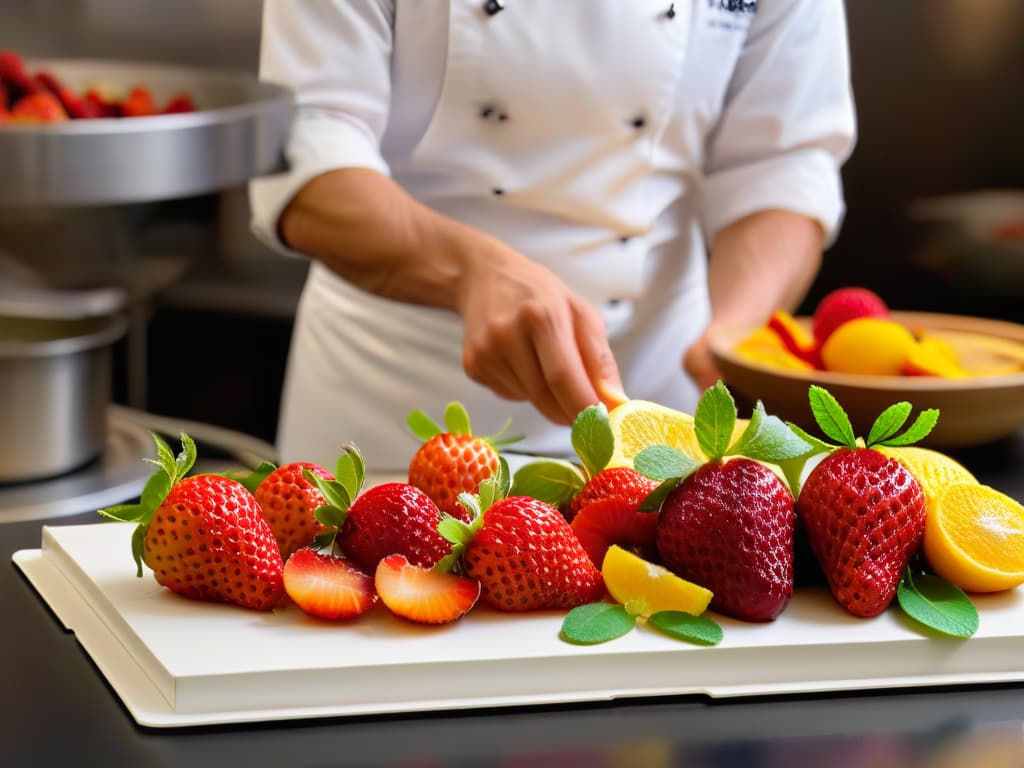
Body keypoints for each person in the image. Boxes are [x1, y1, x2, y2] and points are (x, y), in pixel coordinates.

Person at [249, 0, 856, 471]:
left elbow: (782, 163)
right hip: (393, 419)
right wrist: (468, 271)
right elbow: (309, 150)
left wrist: (730, 336)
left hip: (660, 413)